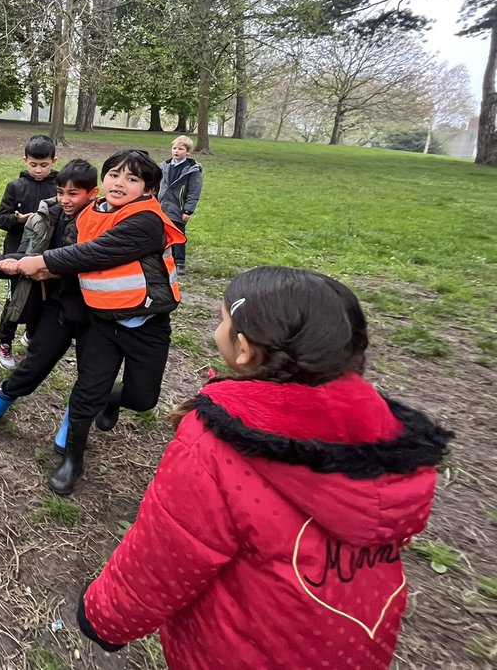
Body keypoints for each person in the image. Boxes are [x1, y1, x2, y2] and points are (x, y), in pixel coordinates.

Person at [76, 267, 453, 669]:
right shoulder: (391, 440)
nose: (218, 328)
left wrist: (105, 617)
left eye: (222, 320)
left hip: (238, 650)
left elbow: (170, 552)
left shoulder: (216, 445)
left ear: (243, 349)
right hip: (358, 646)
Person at [14, 149, 185, 494]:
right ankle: (72, 460)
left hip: (146, 324)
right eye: (114, 175)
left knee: (142, 399)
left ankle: (113, 399)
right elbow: (66, 259)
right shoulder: (88, 214)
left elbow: (93, 253)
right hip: (100, 324)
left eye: (132, 178)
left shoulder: (148, 221)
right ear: (103, 179)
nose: (120, 183)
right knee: (85, 393)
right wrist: (8, 263)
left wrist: (41, 260)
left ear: (148, 189)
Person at [0, 159, 100, 455]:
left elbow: (80, 260)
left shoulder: (103, 221)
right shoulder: (51, 215)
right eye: (61, 192)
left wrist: (42, 267)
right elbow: (31, 256)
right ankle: (0, 402)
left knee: (91, 375)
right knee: (35, 361)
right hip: (59, 306)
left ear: (92, 193)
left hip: (96, 312)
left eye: (74, 194)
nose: (66, 200)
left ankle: (73, 420)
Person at [0, 134, 59, 369]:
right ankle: (5, 342)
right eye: (33, 164)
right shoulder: (15, 186)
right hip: (17, 252)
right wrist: (19, 219)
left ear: (54, 161)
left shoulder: (59, 187)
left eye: (44, 165)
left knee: (43, 297)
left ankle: (32, 333)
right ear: (25, 160)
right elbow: (1, 218)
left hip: (47, 254)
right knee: (15, 299)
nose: (38, 170)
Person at [156, 135, 202, 274]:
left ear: (187, 152)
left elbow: (194, 192)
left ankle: (179, 262)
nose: (176, 151)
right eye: (174, 148)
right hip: (163, 206)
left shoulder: (192, 170)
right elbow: (158, 186)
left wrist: (188, 210)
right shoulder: (165, 166)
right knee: (161, 234)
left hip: (178, 208)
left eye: (180, 149)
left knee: (178, 234)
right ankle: (162, 259)